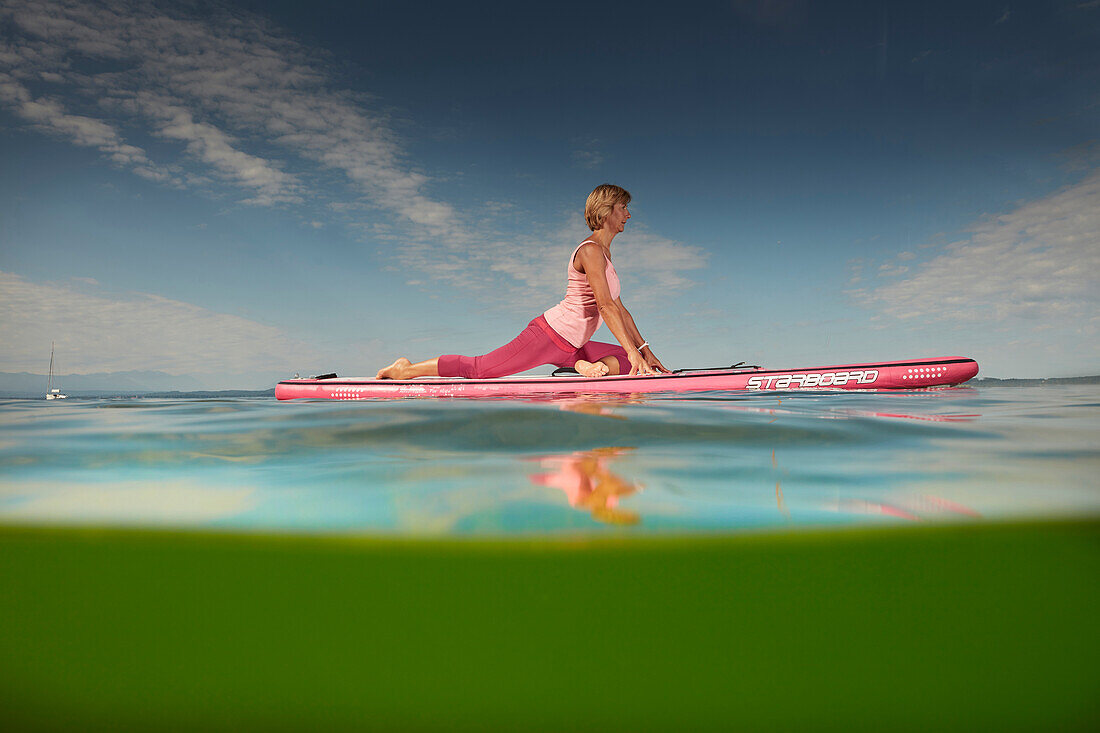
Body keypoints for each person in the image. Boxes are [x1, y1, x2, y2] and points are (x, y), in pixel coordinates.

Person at [376, 184, 668, 380]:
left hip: (575, 343)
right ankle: (407, 369)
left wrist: (645, 352)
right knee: (481, 369)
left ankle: (579, 367)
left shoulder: (605, 254)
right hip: (550, 335)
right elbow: (605, 306)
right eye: (622, 208)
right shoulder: (590, 251)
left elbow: (621, 310)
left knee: (630, 362)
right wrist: (633, 351)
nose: (628, 214)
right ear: (605, 212)